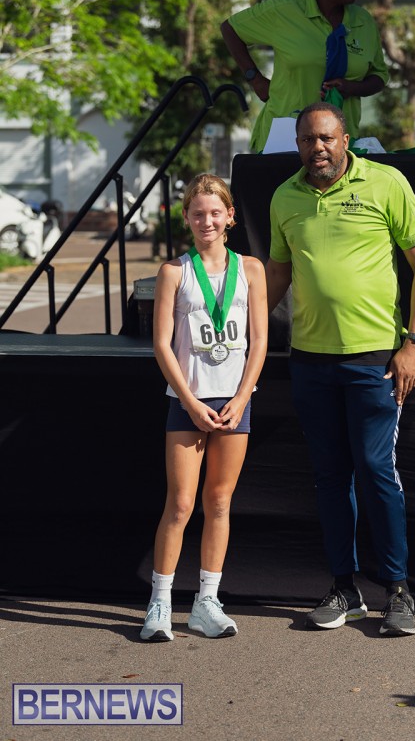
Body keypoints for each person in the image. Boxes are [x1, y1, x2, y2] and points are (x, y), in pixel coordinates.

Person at [266, 102, 415, 636]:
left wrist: (413, 344)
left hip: (375, 360)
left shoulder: (386, 183)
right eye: (306, 140)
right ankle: (345, 589)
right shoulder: (285, 196)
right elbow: (277, 274)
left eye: (325, 138)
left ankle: (398, 591)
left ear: (345, 139)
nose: (316, 148)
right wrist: (244, 334)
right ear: (297, 144)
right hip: (310, 361)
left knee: (375, 470)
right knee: (329, 476)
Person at [140, 174, 268, 641]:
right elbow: (161, 344)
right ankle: (159, 603)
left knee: (219, 502)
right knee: (180, 504)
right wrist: (190, 401)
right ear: (186, 218)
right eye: (198, 214)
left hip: (234, 402)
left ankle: (206, 602)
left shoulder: (250, 268)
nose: (207, 221)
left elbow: (259, 342)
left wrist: (242, 397)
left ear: (230, 216)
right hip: (188, 401)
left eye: (215, 212)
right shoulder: (174, 271)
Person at [221, 0, 388, 153]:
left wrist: (352, 88)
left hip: (337, 143)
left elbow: (379, 75)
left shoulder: (364, 21)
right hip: (285, 139)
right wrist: (256, 80)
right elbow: (230, 29)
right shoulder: (284, 9)